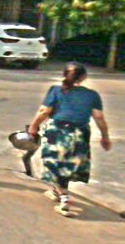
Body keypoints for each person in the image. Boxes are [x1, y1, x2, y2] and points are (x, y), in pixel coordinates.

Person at [28, 61, 112, 216]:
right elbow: (99, 117)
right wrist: (105, 137)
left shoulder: (56, 90)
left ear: (64, 75)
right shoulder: (92, 95)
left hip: (57, 131)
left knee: (54, 163)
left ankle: (64, 199)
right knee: (69, 164)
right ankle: (56, 191)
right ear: (84, 77)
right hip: (80, 133)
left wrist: (34, 126)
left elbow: (44, 111)